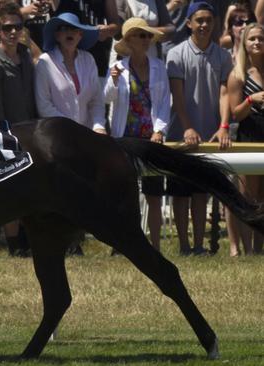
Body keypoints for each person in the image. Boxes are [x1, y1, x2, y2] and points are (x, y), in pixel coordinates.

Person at [165, 1, 232, 256]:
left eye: (209, 20)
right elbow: (178, 97)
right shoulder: (175, 54)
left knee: (201, 192)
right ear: (189, 23)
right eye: (199, 20)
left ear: (214, 23)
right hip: (181, 135)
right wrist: (187, 127)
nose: (204, 24)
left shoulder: (223, 56)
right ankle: (183, 246)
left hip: (211, 135)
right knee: (180, 193)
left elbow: (225, 92)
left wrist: (224, 126)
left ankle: (199, 245)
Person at [104, 17, 170, 251]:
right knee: (124, 194)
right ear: (129, 40)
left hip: (150, 137)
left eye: (148, 35)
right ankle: (122, 243)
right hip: (125, 137)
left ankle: (154, 245)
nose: (146, 39)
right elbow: (107, 99)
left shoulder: (159, 66)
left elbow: (164, 103)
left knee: (154, 194)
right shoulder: (118, 67)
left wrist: (159, 130)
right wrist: (112, 81)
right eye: (141, 35)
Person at [0, 2, 35, 256]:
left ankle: (25, 240)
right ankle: (13, 246)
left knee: (29, 191)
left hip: (31, 132)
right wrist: (5, 143)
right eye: (7, 27)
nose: (13, 32)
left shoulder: (25, 55)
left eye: (18, 26)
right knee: (12, 192)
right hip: (5, 134)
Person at [227, 22, 264, 255]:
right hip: (249, 137)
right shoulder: (238, 75)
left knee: (263, 198)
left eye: (261, 38)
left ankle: (260, 250)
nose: (257, 43)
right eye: (252, 39)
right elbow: (235, 113)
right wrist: (252, 100)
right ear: (244, 44)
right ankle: (248, 249)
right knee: (248, 198)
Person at [34, 12, 105, 133]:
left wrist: (99, 126)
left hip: (87, 134)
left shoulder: (88, 59)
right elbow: (44, 106)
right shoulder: (45, 62)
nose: (69, 32)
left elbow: (96, 100)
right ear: (57, 36)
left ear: (80, 35)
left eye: (74, 29)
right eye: (64, 29)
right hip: (57, 134)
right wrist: (71, 127)